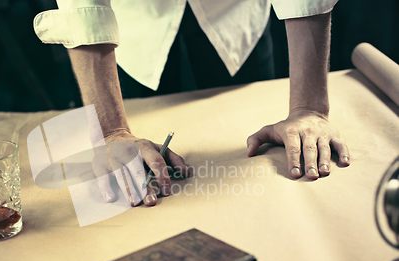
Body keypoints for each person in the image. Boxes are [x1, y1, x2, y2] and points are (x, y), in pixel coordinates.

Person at [33, 0, 350, 206]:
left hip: (234, 17)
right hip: (133, 25)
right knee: (130, 169)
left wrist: (309, 107)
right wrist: (111, 131)